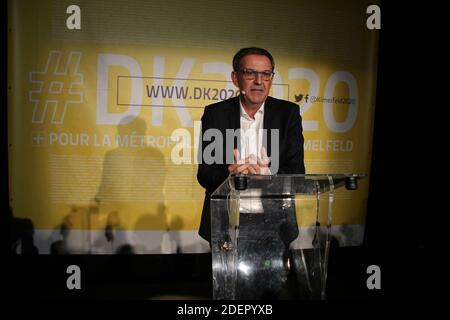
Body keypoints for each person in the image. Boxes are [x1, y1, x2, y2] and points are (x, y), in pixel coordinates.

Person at [197, 47, 305, 244]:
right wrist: (229, 173)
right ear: (235, 78)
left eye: (266, 74)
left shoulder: (287, 114)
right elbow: (205, 175)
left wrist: (270, 177)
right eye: (250, 73)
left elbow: (297, 172)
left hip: (274, 222)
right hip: (226, 221)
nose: (259, 81)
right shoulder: (216, 114)